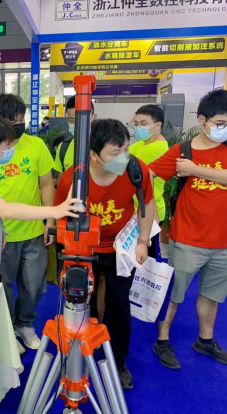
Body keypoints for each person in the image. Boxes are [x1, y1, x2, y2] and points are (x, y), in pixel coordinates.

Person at [0, 114, 84, 354]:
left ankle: (10, 338)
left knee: (20, 291)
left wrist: (0, 230)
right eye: (6, 145)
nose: (10, 149)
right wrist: (54, 210)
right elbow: (4, 209)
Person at [149, 90, 227, 370]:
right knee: (174, 293)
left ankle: (205, 340)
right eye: (220, 123)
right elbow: (146, 174)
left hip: (225, 241)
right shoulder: (182, 151)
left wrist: (195, 170)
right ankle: (162, 339)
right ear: (202, 120)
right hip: (187, 238)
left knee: (212, 294)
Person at [55, 118, 155, 389]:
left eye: (126, 149)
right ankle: (78, 354)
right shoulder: (72, 178)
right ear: (93, 154)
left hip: (121, 247)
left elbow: (146, 203)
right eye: (115, 152)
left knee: (119, 301)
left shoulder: (136, 170)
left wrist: (143, 241)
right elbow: (60, 215)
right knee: (80, 300)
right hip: (83, 247)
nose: (124, 157)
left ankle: (117, 360)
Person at [0, 93, 56, 352]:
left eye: (21, 119)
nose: (17, 124)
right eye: (11, 121)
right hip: (1, 233)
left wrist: (50, 219)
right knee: (2, 286)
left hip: (33, 230)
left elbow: (46, 184)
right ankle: (7, 330)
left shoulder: (36, 145)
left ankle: (24, 324)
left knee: (33, 285)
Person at [129, 104, 169, 258]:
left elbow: (121, 164)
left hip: (148, 212)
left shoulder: (157, 149)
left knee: (143, 258)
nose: (139, 128)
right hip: (138, 209)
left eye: (144, 124)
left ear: (158, 125)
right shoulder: (144, 143)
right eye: (137, 124)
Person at [54, 96, 97, 173]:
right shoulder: (63, 148)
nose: (77, 125)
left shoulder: (105, 148)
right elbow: (62, 179)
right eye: (72, 120)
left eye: (82, 120)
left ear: (93, 118)